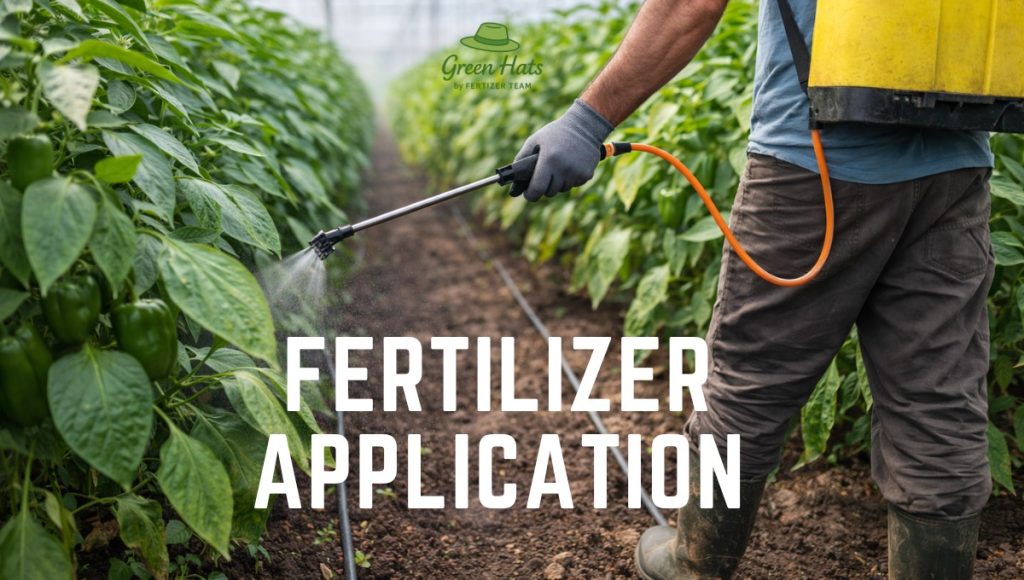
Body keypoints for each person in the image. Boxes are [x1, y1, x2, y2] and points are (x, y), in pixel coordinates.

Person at [511, 1, 995, 578]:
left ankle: (696, 561)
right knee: (938, 396)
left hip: (813, 166)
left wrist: (587, 122)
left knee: (752, 377)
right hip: (956, 167)